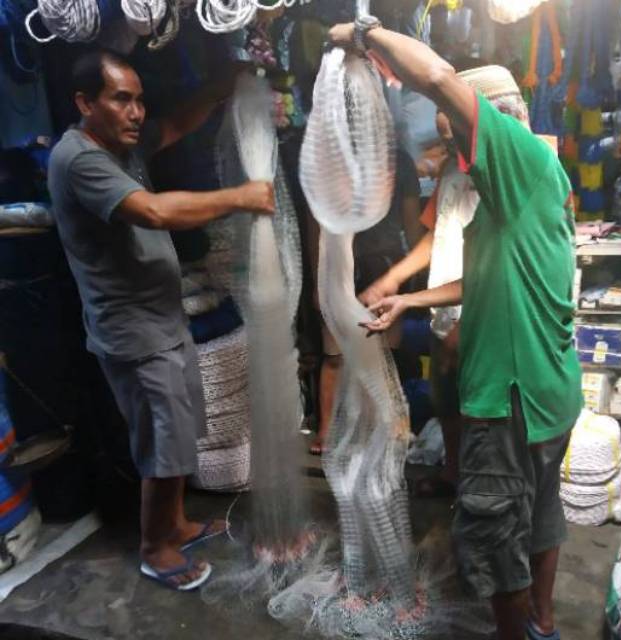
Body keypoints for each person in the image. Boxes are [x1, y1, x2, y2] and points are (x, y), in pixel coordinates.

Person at [330, 22, 582, 640]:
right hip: (550, 392)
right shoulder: (530, 186)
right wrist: (408, 297)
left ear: (488, 127)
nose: (449, 156)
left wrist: (364, 32)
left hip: (511, 398)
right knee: (540, 513)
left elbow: (439, 77)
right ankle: (542, 623)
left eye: (454, 138)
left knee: (494, 530)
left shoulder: (518, 159)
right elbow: (491, 276)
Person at [48, 50, 274, 591]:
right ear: (85, 102)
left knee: (179, 433)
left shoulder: (120, 146)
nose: (136, 112)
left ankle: (175, 524)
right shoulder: (80, 160)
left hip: (163, 321)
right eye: (121, 99)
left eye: (139, 100)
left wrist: (218, 88)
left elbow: (173, 126)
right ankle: (156, 549)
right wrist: (239, 197)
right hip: (134, 333)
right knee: (161, 442)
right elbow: (152, 212)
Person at [360, 111, 477, 497]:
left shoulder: (501, 176)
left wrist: (410, 297)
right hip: (443, 300)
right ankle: (453, 473)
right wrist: (393, 277)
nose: (450, 148)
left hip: (483, 309)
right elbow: (435, 232)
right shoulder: (450, 171)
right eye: (444, 141)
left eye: (455, 138)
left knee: (480, 407)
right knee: (445, 395)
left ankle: (479, 487)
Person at [308, 147, 422, 455]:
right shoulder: (331, 157)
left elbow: (412, 225)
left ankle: (380, 428)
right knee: (335, 352)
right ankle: (328, 429)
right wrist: (317, 281)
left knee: (383, 354)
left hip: (385, 265)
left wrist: (416, 270)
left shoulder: (399, 158)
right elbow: (315, 222)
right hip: (340, 265)